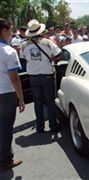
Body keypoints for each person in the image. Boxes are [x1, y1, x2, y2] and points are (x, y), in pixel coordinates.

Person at [21, 19, 61, 133]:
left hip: (33, 77)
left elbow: (23, 59)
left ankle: (40, 126)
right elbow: (58, 55)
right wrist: (53, 59)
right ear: (40, 30)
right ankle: (53, 126)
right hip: (47, 76)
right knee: (50, 101)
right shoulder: (48, 42)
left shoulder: (24, 45)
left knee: (37, 102)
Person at [0, 18, 25, 171]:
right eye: (10, 30)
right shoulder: (8, 51)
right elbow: (15, 78)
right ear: (3, 31)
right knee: (6, 128)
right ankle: (5, 161)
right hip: (5, 94)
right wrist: (21, 98)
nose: (12, 34)